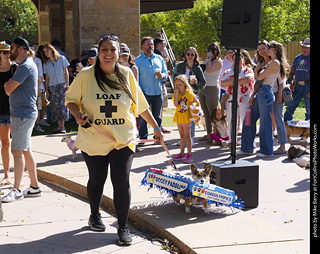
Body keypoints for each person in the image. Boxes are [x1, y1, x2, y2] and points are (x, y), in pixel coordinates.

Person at [66, 35, 164, 245]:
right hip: (94, 138)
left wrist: (156, 127)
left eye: (113, 50)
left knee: (121, 181)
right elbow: (71, 101)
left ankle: (123, 227)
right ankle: (95, 215)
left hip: (123, 140)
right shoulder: (85, 75)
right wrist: (77, 115)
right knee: (97, 179)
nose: (108, 53)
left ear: (119, 53)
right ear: (98, 51)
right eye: (104, 49)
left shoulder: (126, 74)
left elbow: (141, 106)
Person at [2, 36, 42, 202]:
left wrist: (7, 85)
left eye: (11, 48)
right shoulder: (24, 65)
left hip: (22, 114)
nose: (9, 52)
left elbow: (9, 88)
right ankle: (34, 186)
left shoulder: (25, 66)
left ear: (20, 49)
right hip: (23, 113)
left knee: (16, 151)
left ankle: (17, 189)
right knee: (25, 149)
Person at [240, 40, 288, 157]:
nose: (265, 50)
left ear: (274, 49)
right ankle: (246, 148)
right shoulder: (268, 63)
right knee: (249, 119)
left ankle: (266, 151)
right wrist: (252, 95)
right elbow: (258, 80)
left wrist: (256, 70)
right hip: (261, 92)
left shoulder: (275, 63)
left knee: (265, 124)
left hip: (266, 92)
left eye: (269, 47)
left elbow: (260, 76)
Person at [134, 37, 168, 140]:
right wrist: (140, 90)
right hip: (145, 93)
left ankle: (157, 136)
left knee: (157, 116)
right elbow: (135, 78)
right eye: (148, 44)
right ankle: (143, 137)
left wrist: (162, 76)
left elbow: (166, 73)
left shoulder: (159, 59)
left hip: (158, 92)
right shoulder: (138, 61)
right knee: (143, 118)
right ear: (143, 46)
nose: (150, 46)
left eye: (152, 44)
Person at [172, 47, 206, 145]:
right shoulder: (180, 66)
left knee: (192, 114)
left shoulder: (197, 68)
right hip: (181, 93)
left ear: (195, 56)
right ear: (185, 55)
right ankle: (182, 138)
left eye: (192, 54)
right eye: (188, 54)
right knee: (182, 114)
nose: (190, 56)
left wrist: (196, 82)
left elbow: (203, 83)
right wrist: (177, 86)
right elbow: (174, 76)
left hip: (192, 93)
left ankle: (191, 138)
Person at [221, 50, 254, 145]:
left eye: (240, 58)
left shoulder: (248, 70)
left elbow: (247, 80)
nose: (238, 61)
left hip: (245, 97)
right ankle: (232, 141)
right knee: (231, 119)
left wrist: (231, 81)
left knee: (246, 120)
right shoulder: (228, 72)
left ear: (243, 59)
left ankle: (247, 142)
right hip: (231, 98)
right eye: (235, 59)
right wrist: (238, 81)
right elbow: (223, 83)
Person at [172, 75, 199, 163]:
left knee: (187, 136)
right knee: (182, 136)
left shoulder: (189, 93)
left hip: (187, 117)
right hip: (179, 116)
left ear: (184, 84)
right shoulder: (176, 93)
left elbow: (196, 102)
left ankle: (189, 155)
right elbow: (176, 104)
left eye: (180, 84)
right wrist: (176, 92)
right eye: (176, 84)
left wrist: (194, 108)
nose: (178, 86)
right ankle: (181, 153)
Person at [43, 44, 70, 133]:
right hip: (52, 86)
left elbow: (66, 72)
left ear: (51, 50)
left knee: (62, 105)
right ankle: (59, 125)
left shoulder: (61, 58)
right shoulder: (46, 63)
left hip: (62, 85)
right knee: (55, 106)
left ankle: (63, 126)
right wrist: (46, 90)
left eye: (47, 51)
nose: (46, 53)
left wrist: (67, 84)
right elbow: (47, 77)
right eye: (44, 52)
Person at [0, 41, 16, 187]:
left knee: (18, 145)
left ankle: (18, 175)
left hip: (15, 111)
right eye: (5, 52)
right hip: (1, 111)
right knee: (5, 144)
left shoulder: (15, 68)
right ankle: (6, 175)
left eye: (9, 51)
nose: (8, 54)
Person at [199, 42, 222, 142]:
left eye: (214, 49)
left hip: (212, 89)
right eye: (210, 48)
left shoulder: (218, 61)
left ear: (218, 51)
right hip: (203, 89)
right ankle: (209, 134)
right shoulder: (206, 61)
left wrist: (208, 58)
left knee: (213, 113)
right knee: (206, 113)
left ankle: (216, 134)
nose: (212, 51)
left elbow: (208, 70)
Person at [284, 38, 310, 121]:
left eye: (308, 48)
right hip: (297, 85)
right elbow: (292, 72)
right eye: (304, 47)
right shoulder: (297, 58)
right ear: (302, 47)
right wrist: (291, 83)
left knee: (309, 110)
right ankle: (286, 128)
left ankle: (308, 131)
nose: (305, 49)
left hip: (308, 85)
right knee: (290, 108)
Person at [33, 45, 50, 133]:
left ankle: (38, 123)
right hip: (30, 89)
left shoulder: (37, 60)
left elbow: (40, 76)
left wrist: (39, 87)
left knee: (40, 106)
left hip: (39, 88)